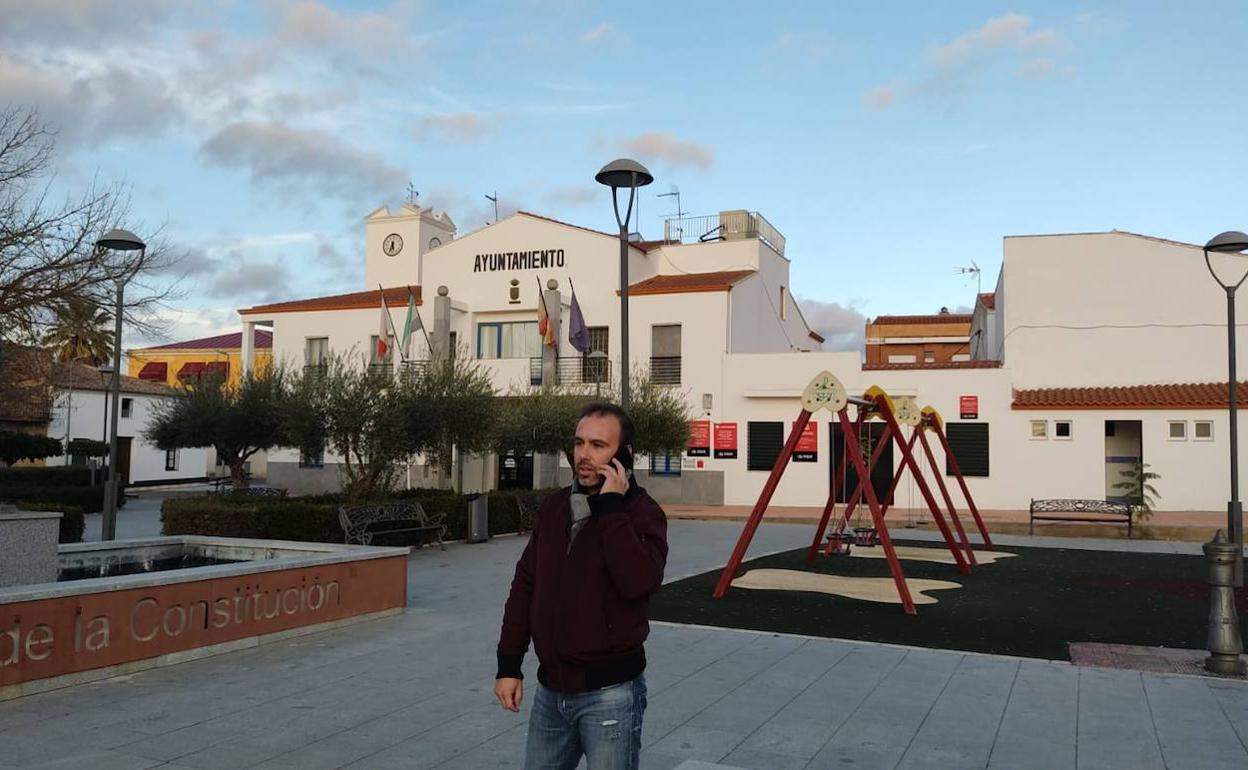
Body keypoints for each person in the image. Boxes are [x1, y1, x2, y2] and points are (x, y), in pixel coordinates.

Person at [495, 401, 669, 770]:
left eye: (598, 446)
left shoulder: (642, 513)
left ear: (625, 455)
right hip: (551, 692)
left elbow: (638, 582)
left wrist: (610, 509)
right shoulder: (556, 507)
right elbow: (526, 584)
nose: (584, 456)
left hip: (611, 697)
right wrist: (509, 664)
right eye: (579, 443)